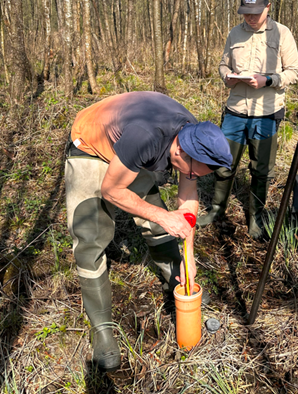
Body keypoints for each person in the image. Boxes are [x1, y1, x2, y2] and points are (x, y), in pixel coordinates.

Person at [65, 91, 232, 372]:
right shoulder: (147, 137)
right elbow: (111, 190)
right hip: (92, 146)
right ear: (180, 151)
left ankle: (176, 280)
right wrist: (162, 215)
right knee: (91, 237)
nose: (191, 178)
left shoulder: (191, 134)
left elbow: (187, 200)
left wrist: (188, 254)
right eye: (192, 172)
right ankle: (102, 329)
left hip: (128, 146)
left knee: (159, 222)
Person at [197, 0, 298, 239]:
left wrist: (268, 80)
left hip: (266, 113)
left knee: (261, 169)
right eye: (246, 13)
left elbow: (294, 72)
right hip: (235, 111)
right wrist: (227, 77)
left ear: (268, 7)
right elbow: (223, 64)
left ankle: (255, 217)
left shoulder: (282, 34)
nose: (250, 18)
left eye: (255, 12)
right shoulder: (234, 33)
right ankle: (217, 210)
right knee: (223, 164)